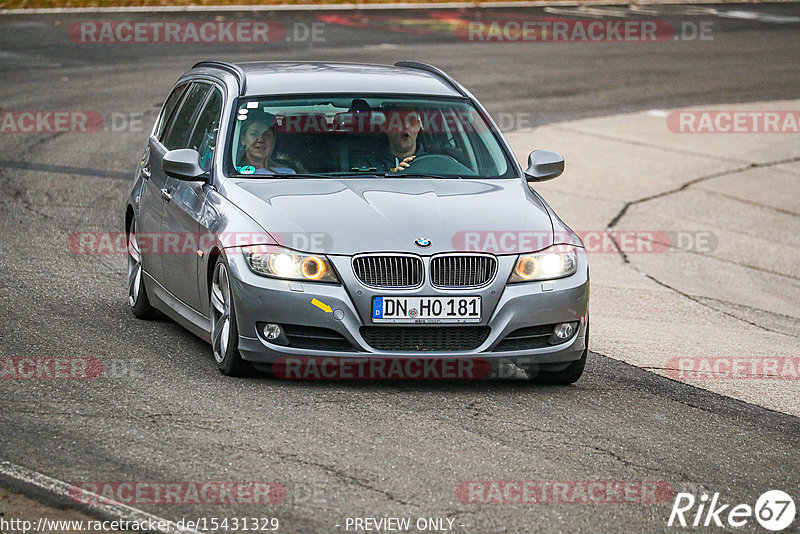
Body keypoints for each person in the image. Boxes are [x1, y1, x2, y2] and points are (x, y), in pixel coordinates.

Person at [352, 107, 425, 173]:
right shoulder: (368, 163)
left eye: (411, 121)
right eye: (397, 121)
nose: (405, 126)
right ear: (386, 127)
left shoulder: (432, 163)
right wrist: (394, 175)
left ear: (418, 126)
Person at [236, 110, 296, 175]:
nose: (261, 140)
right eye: (254, 134)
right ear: (243, 139)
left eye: (267, 135)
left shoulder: (286, 173)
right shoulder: (232, 171)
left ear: (273, 140)